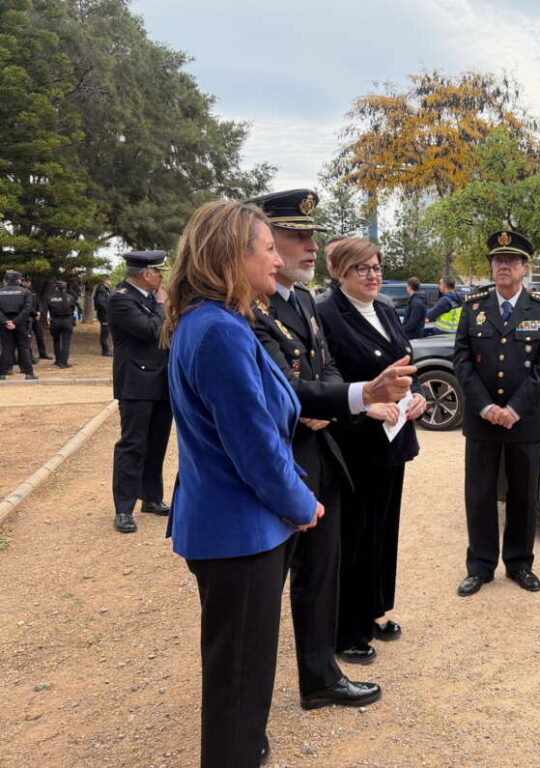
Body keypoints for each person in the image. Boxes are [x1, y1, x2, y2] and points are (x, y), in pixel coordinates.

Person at [164, 199, 324, 768]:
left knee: (245, 673)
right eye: (266, 250)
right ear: (232, 255)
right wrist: (302, 503)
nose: (277, 262)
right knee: (238, 683)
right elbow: (254, 445)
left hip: (234, 529)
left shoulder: (216, 321)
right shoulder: (220, 331)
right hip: (240, 532)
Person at [247, 188, 412, 710]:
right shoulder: (250, 304)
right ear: (264, 239)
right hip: (279, 461)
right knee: (264, 590)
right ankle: (247, 710)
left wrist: (337, 400)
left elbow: (325, 366)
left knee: (321, 575)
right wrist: (351, 399)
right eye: (296, 236)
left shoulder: (298, 300)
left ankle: (320, 676)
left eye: (312, 237)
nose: (309, 247)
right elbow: (279, 386)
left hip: (324, 456)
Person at [316, 237, 427, 664]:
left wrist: (415, 397)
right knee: (354, 536)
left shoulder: (383, 309)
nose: (373, 275)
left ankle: (376, 607)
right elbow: (327, 381)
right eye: (361, 268)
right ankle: (347, 627)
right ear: (340, 273)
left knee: (383, 530)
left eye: (377, 266)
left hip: (393, 437)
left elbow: (402, 368)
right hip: (355, 440)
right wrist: (366, 408)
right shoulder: (327, 314)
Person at [452, 230, 540, 597]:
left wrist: (514, 408)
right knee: (479, 494)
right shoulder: (474, 306)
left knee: (523, 494)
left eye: (512, 261)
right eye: (498, 260)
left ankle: (519, 564)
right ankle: (480, 566)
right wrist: (485, 406)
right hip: (481, 419)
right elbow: (462, 360)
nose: (504, 266)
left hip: (523, 420)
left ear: (524, 268)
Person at [108, 250, 173, 533]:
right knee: (133, 444)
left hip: (161, 380)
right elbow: (151, 331)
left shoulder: (146, 297)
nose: (162, 277)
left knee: (157, 443)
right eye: (159, 272)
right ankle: (124, 508)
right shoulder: (121, 298)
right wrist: (162, 306)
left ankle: (151, 497)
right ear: (147, 275)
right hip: (136, 383)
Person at [0, 270, 37, 381]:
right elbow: (27, 309)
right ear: (18, 280)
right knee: (24, 348)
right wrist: (15, 322)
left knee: (6, 347)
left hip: (4, 323)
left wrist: (6, 322)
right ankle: (29, 373)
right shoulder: (26, 292)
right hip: (21, 323)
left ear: (6, 280)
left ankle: (3, 373)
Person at [47, 280, 79, 369]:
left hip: (55, 321)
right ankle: (64, 362)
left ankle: (57, 360)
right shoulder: (70, 297)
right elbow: (73, 309)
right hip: (67, 321)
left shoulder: (50, 297)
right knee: (66, 343)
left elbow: (49, 309)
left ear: (55, 287)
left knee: (56, 341)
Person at [21, 277, 50, 362]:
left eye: (28, 281)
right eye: (25, 282)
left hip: (35, 317)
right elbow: (27, 306)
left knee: (40, 335)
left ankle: (43, 354)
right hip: (27, 317)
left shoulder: (33, 291)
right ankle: (30, 357)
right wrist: (35, 313)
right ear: (22, 282)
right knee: (28, 338)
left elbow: (39, 302)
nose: (27, 283)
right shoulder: (22, 292)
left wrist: (39, 312)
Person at [95, 278, 113, 356]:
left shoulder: (106, 290)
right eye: (109, 280)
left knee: (106, 332)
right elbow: (100, 303)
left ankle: (106, 350)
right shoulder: (101, 290)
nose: (111, 281)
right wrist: (107, 310)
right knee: (104, 333)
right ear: (105, 281)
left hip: (106, 314)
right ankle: (105, 351)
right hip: (104, 315)